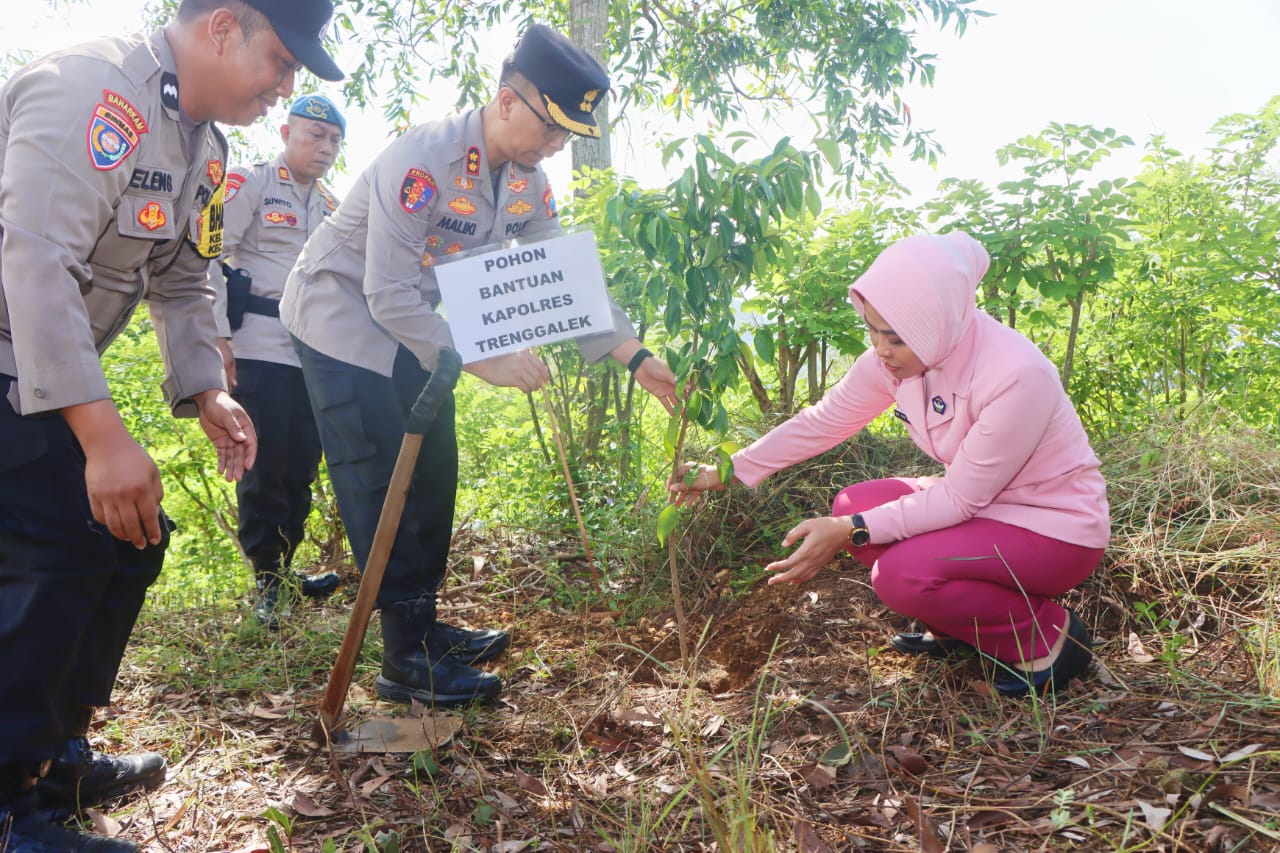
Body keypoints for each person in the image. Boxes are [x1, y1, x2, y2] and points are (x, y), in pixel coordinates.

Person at [0, 0, 342, 848]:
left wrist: (206, 391)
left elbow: (184, 281)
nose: (284, 89)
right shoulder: (94, 92)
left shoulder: (202, 147)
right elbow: (34, 260)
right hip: (14, 352)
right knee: (63, 544)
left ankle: (57, 749)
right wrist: (104, 437)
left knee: (131, 538)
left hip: (25, 365)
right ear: (224, 27)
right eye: (281, 63)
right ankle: (11, 805)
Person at [280, 24, 679, 709]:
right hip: (343, 320)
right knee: (381, 480)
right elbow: (383, 292)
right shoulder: (423, 160)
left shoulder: (526, 181)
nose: (556, 144)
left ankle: (425, 627)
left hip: (415, 330)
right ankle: (404, 658)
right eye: (551, 127)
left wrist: (634, 354)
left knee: (435, 469)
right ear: (504, 102)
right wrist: (484, 358)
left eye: (567, 134)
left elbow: (566, 278)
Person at [669, 232, 1109, 697]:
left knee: (899, 573)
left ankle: (1049, 638)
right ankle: (960, 626)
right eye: (872, 330)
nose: (880, 349)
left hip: (1053, 528)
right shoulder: (897, 361)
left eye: (895, 337)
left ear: (937, 324)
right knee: (854, 502)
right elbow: (822, 422)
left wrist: (851, 530)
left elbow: (959, 498)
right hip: (983, 508)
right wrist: (729, 470)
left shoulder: (1017, 374)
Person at [212, 94, 347, 629]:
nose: (326, 147)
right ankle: (267, 580)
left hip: (310, 352)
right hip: (258, 348)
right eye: (316, 135)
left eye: (334, 140)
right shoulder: (251, 184)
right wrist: (217, 337)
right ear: (287, 131)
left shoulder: (333, 206)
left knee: (299, 466)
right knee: (263, 466)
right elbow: (209, 258)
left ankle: (286, 569)